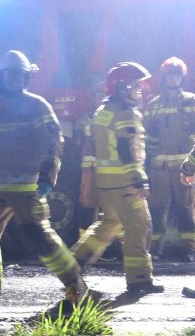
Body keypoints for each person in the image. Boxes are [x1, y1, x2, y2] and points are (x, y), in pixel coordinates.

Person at [0, 50, 90, 309]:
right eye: (10, 73)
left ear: (27, 77)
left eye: (20, 74)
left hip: (25, 185)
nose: (15, 78)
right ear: (0, 76)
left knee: (40, 238)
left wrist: (47, 175)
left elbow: (53, 143)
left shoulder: (38, 106)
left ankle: (76, 286)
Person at [71, 62, 163, 294]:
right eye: (136, 85)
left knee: (109, 223)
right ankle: (139, 278)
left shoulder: (103, 110)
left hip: (106, 182)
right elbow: (126, 148)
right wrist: (139, 178)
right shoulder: (125, 112)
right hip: (125, 182)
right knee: (138, 225)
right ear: (122, 87)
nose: (140, 89)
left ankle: (72, 264)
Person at [144, 57, 195, 261]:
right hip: (159, 167)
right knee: (156, 209)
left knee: (186, 208)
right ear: (163, 78)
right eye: (169, 75)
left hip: (185, 167)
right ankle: (154, 249)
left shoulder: (192, 101)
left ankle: (189, 249)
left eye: (176, 75)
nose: (173, 79)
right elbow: (144, 135)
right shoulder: (153, 105)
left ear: (182, 78)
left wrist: (190, 143)